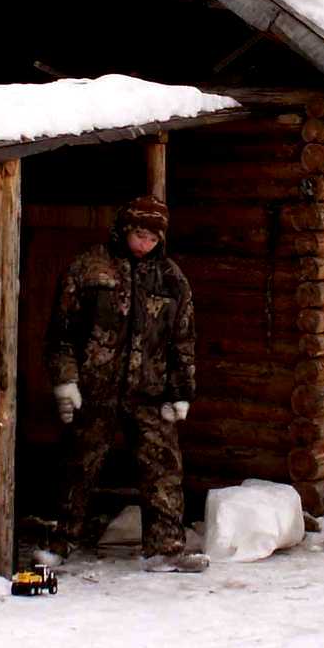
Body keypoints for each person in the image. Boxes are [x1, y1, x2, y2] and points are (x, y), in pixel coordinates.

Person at [43, 194, 200, 568]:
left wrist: (181, 393)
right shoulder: (89, 269)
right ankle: (58, 542)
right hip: (96, 391)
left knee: (163, 469)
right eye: (139, 234)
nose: (145, 243)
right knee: (78, 467)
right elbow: (61, 334)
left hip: (150, 394)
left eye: (153, 237)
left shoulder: (172, 279)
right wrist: (66, 381)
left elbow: (184, 341)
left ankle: (164, 547)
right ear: (125, 229)